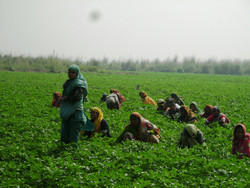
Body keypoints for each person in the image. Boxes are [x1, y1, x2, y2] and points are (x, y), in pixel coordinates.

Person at [59, 64, 88, 145]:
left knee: (73, 134)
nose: (70, 74)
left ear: (77, 73)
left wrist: (66, 98)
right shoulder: (68, 82)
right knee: (65, 132)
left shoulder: (79, 83)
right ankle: (63, 149)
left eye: (73, 72)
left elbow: (77, 97)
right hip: (68, 111)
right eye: (69, 72)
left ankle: (72, 152)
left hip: (76, 112)